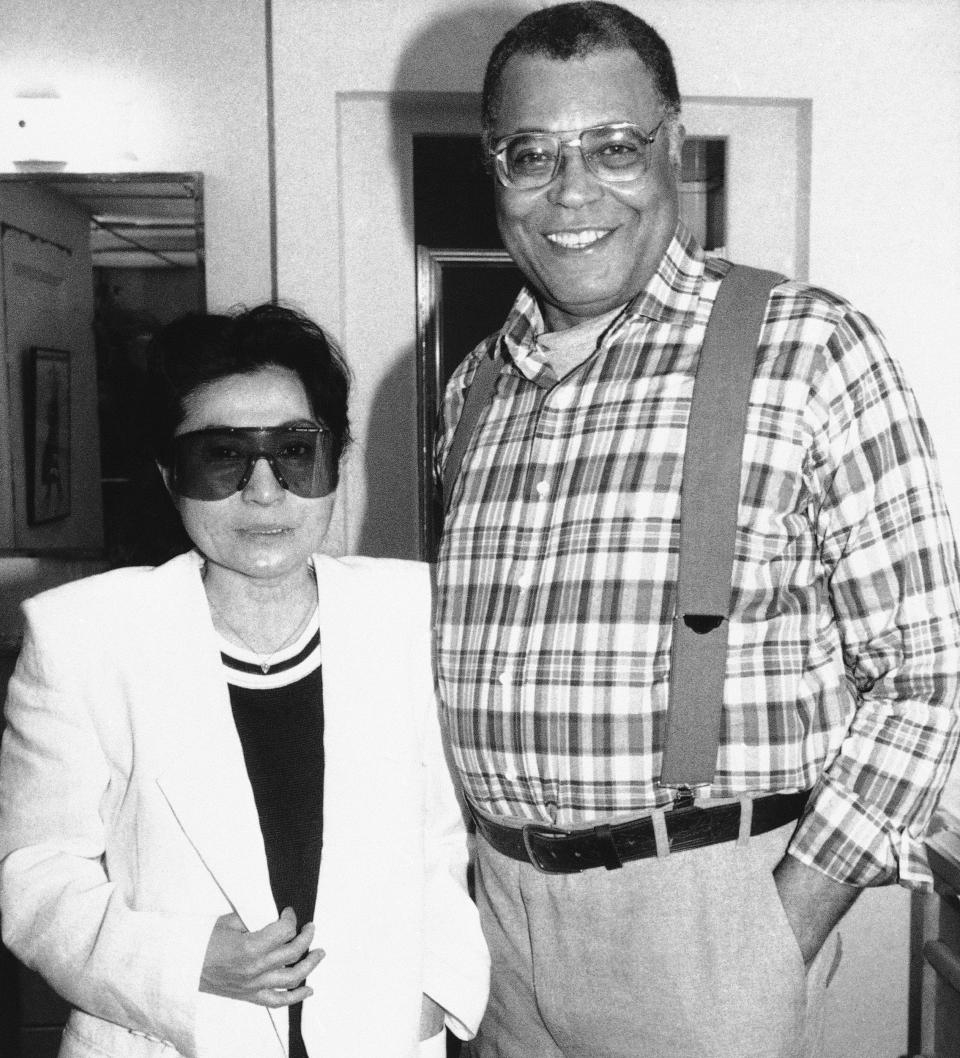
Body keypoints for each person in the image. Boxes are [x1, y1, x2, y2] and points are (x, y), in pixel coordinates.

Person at [433, 4, 960, 1057]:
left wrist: (787, 915)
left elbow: (929, 671)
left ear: (673, 147)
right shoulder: (470, 388)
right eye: (531, 152)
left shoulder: (807, 346)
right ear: (493, 167)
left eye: (614, 147)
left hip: (708, 926)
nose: (572, 191)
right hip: (496, 926)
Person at [0, 303, 489, 1058]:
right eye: (222, 456)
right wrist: (182, 962)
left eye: (296, 451)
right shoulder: (85, 638)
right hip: (169, 1035)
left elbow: (450, 837)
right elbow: (34, 873)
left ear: (336, 462)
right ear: (170, 475)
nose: (265, 491)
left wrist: (434, 995)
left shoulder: (415, 613)